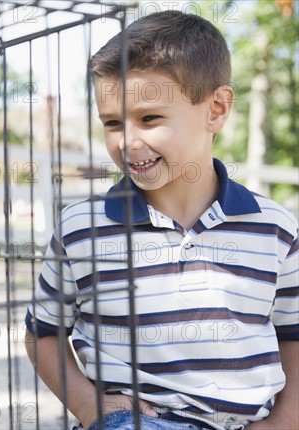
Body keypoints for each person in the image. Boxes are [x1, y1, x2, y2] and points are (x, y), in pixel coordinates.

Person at [24, 10, 298, 430]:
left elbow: (293, 336)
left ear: (217, 109)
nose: (129, 141)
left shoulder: (276, 229)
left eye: (149, 118)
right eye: (113, 123)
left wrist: (285, 422)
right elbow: (43, 332)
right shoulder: (81, 230)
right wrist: (87, 404)